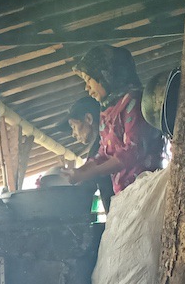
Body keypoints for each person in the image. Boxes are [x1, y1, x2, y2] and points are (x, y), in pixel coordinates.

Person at [63, 45, 164, 196]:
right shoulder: (107, 112)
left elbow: (132, 151)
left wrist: (92, 173)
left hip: (145, 192)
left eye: (89, 79)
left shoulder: (134, 102)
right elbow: (103, 154)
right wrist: (78, 172)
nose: (87, 88)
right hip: (125, 195)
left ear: (106, 75)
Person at [64, 95, 115, 213]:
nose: (73, 134)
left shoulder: (99, 147)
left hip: (122, 212)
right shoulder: (104, 143)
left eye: (73, 126)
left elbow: (87, 186)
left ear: (88, 119)